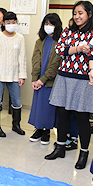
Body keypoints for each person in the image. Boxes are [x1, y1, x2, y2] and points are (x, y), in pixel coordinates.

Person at [45, 1, 93, 170]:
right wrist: (79, 48)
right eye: (75, 13)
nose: (77, 16)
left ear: (89, 13)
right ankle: (60, 147)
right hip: (64, 77)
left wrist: (72, 49)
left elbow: (92, 54)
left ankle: (84, 152)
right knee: (62, 114)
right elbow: (60, 49)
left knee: (82, 118)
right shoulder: (68, 31)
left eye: (80, 13)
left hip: (82, 80)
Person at [0, 11, 27, 137]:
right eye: (8, 22)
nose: (11, 24)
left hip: (14, 75)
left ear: (16, 23)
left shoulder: (20, 38)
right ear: (3, 23)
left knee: (17, 102)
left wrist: (22, 75)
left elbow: (22, 58)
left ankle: (16, 125)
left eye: (13, 22)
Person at [28, 13, 62, 145]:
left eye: (51, 24)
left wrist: (42, 79)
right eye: (46, 24)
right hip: (38, 80)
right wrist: (35, 79)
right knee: (38, 105)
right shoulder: (39, 42)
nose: (48, 27)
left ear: (57, 26)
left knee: (48, 107)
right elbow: (35, 61)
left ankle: (47, 131)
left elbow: (55, 64)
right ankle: (38, 129)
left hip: (50, 81)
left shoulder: (60, 42)